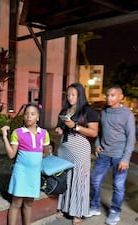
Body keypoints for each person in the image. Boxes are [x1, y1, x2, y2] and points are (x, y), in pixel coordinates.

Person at [86, 85, 136, 225]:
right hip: (104, 154)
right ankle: (95, 206)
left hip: (120, 156)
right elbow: (101, 132)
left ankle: (115, 211)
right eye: (107, 95)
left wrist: (126, 159)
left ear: (121, 97)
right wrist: (97, 144)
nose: (108, 97)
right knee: (95, 180)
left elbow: (131, 137)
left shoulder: (127, 114)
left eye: (112, 95)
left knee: (118, 185)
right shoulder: (105, 111)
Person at [55, 82, 99, 225]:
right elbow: (60, 126)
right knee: (65, 178)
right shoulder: (65, 110)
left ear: (80, 95)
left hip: (80, 149)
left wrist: (76, 127)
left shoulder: (88, 111)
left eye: (73, 94)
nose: (70, 97)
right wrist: (59, 129)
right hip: (64, 148)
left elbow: (94, 132)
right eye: (68, 95)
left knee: (79, 180)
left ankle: (78, 212)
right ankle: (63, 207)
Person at [1, 104, 51, 225]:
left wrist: (34, 161)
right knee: (16, 203)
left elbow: (45, 152)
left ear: (38, 117)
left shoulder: (44, 133)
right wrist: (4, 137)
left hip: (34, 174)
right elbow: (11, 155)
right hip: (21, 172)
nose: (29, 116)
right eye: (27, 114)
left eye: (32, 114)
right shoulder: (18, 132)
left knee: (29, 203)